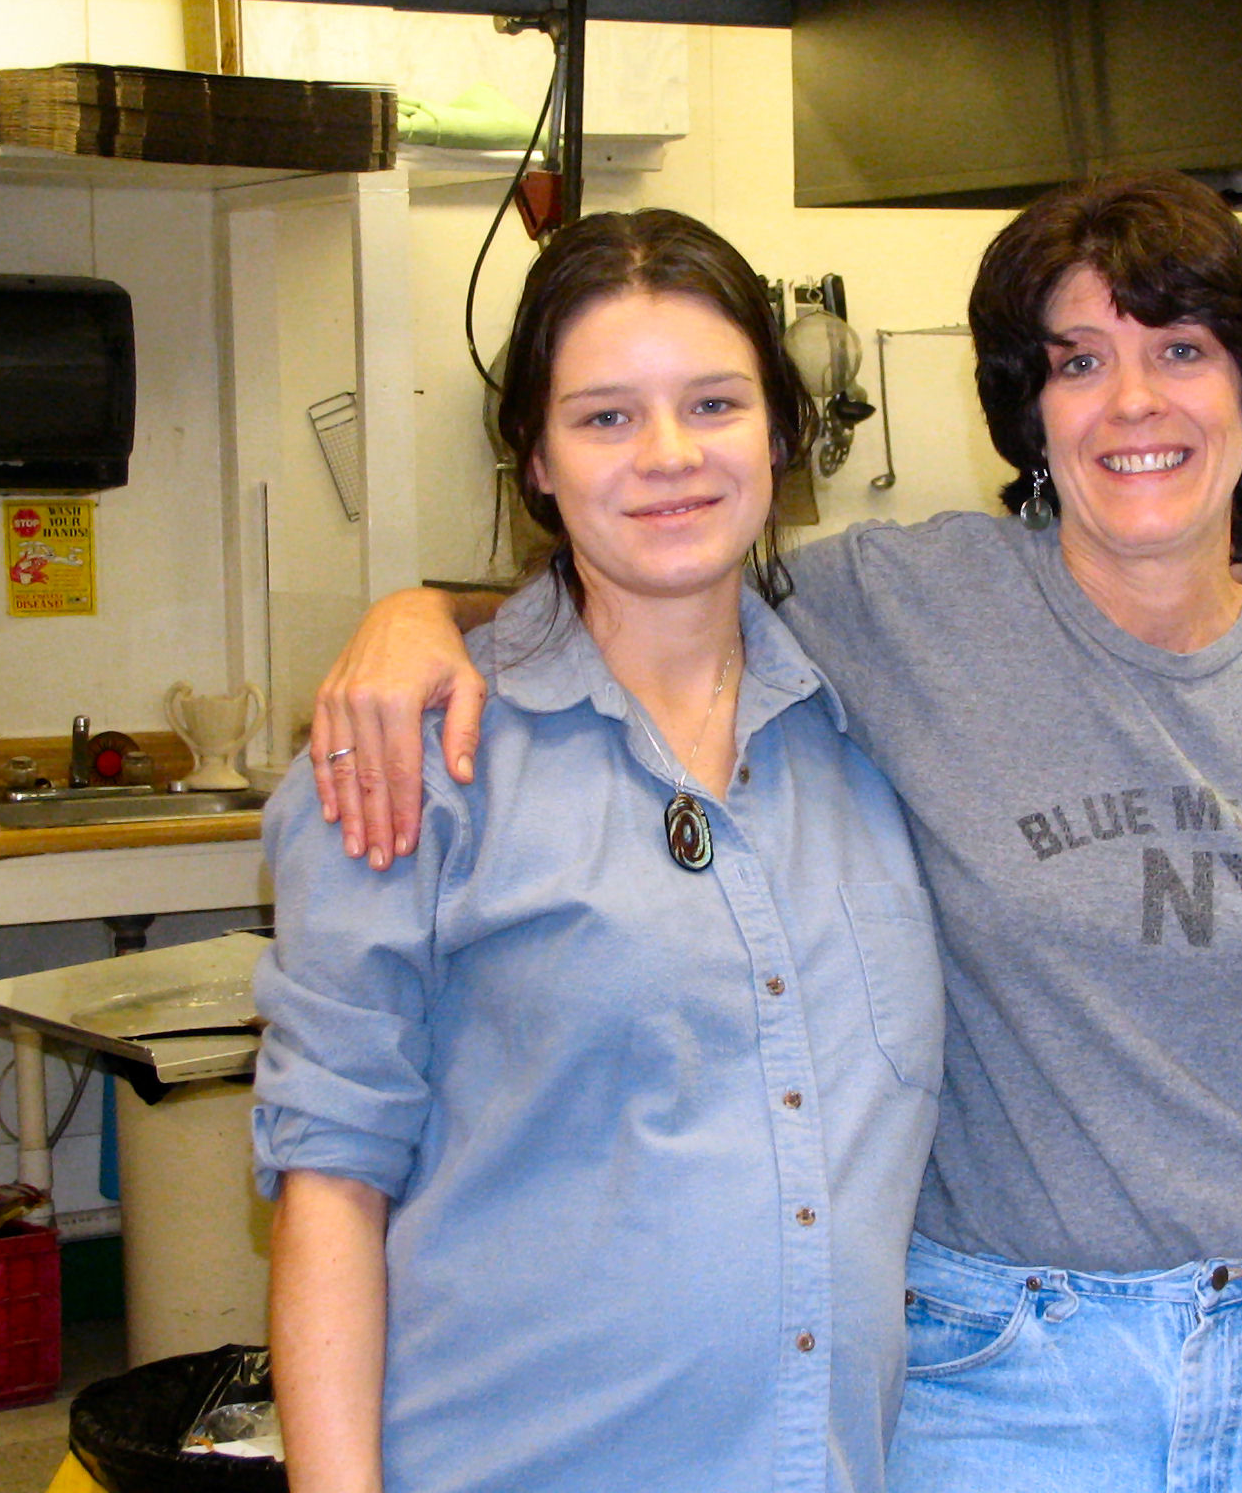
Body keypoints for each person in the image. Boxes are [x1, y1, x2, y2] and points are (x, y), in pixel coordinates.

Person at [308, 173, 1242, 1492]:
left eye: (1181, 350)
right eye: (1078, 361)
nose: (1133, 401)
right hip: (1009, 1369)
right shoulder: (905, 608)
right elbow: (655, 576)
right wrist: (412, 618)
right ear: (1029, 411)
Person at [252, 209, 945, 1493]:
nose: (667, 456)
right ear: (535, 458)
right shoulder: (417, 762)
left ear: (779, 432)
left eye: (713, 404)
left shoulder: (872, 728)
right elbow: (330, 1182)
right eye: (605, 417)